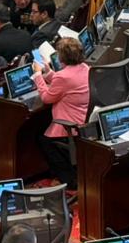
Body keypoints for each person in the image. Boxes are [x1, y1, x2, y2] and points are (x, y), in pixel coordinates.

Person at [33, 38, 90, 188]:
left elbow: (46, 98)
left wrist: (38, 75)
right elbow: (66, 83)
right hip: (84, 121)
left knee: (43, 140)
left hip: (69, 127)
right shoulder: (85, 67)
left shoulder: (63, 76)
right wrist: (49, 71)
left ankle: (68, 180)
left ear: (61, 56)